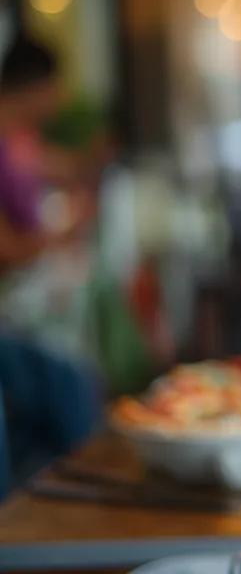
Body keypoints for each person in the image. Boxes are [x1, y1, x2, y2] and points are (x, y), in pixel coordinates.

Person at [0, 35, 102, 498]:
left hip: (26, 308)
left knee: (68, 392)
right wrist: (60, 236)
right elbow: (9, 248)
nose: (60, 99)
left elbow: (65, 168)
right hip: (12, 313)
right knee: (73, 391)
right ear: (35, 85)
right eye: (56, 87)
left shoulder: (20, 140)